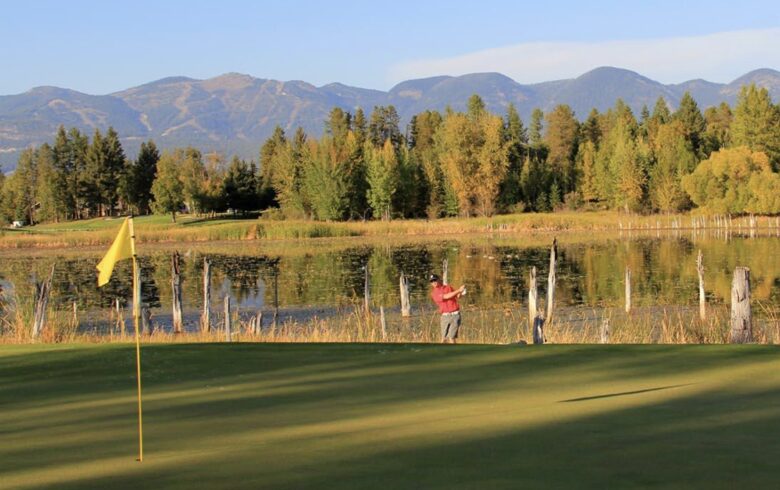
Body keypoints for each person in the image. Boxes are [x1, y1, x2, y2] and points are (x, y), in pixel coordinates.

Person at [429, 274, 466, 344]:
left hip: (455, 315)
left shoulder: (448, 287)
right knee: (443, 338)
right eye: (432, 281)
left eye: (435, 280)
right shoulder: (434, 293)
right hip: (445, 316)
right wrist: (459, 290)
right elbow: (446, 296)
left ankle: (454, 353)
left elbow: (457, 296)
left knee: (451, 337)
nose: (434, 282)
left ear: (439, 279)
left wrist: (462, 292)